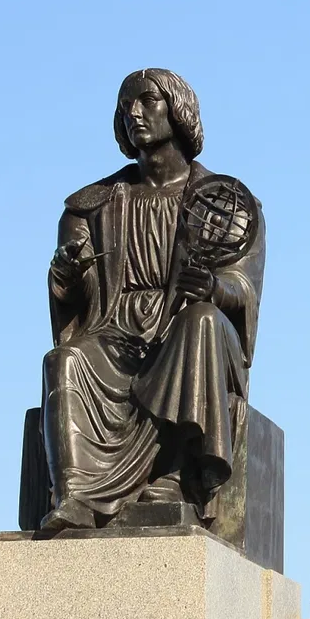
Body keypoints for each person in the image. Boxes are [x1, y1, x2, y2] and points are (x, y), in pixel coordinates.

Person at [38, 68, 265, 532]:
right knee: (65, 360)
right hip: (116, 333)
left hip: (185, 326)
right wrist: (67, 272)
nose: (134, 113)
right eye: (125, 107)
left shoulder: (225, 201)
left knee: (200, 322)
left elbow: (242, 287)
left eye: (147, 101)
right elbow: (74, 296)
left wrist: (213, 289)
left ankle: (182, 474)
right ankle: (76, 496)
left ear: (178, 111)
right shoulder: (92, 204)